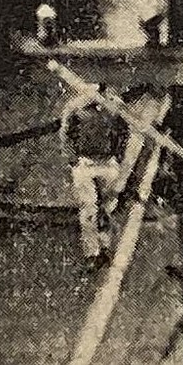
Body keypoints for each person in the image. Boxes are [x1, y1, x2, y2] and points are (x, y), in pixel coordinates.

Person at [60, 83, 130, 270]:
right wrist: (73, 158)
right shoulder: (76, 107)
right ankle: (92, 253)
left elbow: (124, 132)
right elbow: (65, 133)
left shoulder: (114, 106)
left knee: (107, 208)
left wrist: (119, 156)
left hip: (107, 163)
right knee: (88, 210)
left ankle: (105, 247)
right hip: (86, 163)